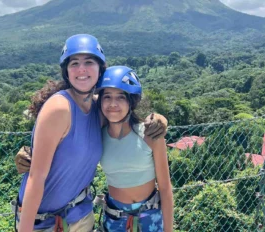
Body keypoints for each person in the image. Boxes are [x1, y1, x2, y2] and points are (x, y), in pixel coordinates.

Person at [15, 34, 167, 232]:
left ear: (100, 69)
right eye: (74, 63)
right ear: (66, 71)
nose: (82, 69)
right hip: (43, 222)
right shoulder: (60, 107)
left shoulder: (99, 109)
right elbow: (36, 178)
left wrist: (160, 119)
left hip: (80, 217)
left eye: (89, 62)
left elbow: (122, 108)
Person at [95, 66, 173, 232]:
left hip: (150, 217)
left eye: (121, 97)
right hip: (114, 218)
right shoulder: (97, 135)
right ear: (100, 100)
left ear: (131, 102)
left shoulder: (150, 134)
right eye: (107, 97)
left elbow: (165, 188)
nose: (113, 104)